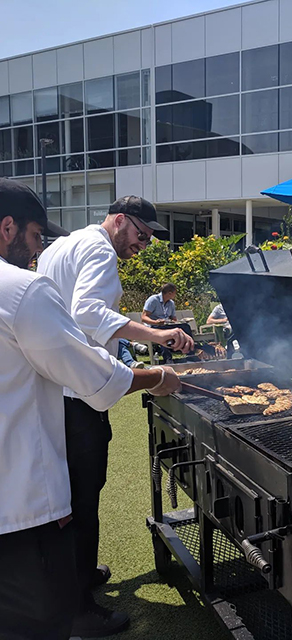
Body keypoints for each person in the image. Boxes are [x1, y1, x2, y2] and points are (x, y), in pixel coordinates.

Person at [0, 179, 180, 639]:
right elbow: (87, 319)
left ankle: (79, 577)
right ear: (119, 221)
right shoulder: (95, 252)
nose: (143, 245)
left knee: (73, 497)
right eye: (141, 234)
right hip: (75, 396)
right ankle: (79, 605)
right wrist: (155, 362)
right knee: (82, 499)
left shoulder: (70, 243)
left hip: (51, 397)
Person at [142, 283, 194, 363]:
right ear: (170, 293)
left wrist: (179, 322)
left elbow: (173, 319)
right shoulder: (153, 300)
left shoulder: (171, 303)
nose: (175, 295)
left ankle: (191, 354)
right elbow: (144, 317)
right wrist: (156, 322)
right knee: (165, 332)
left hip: (165, 325)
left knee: (186, 326)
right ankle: (167, 358)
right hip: (153, 326)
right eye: (175, 293)